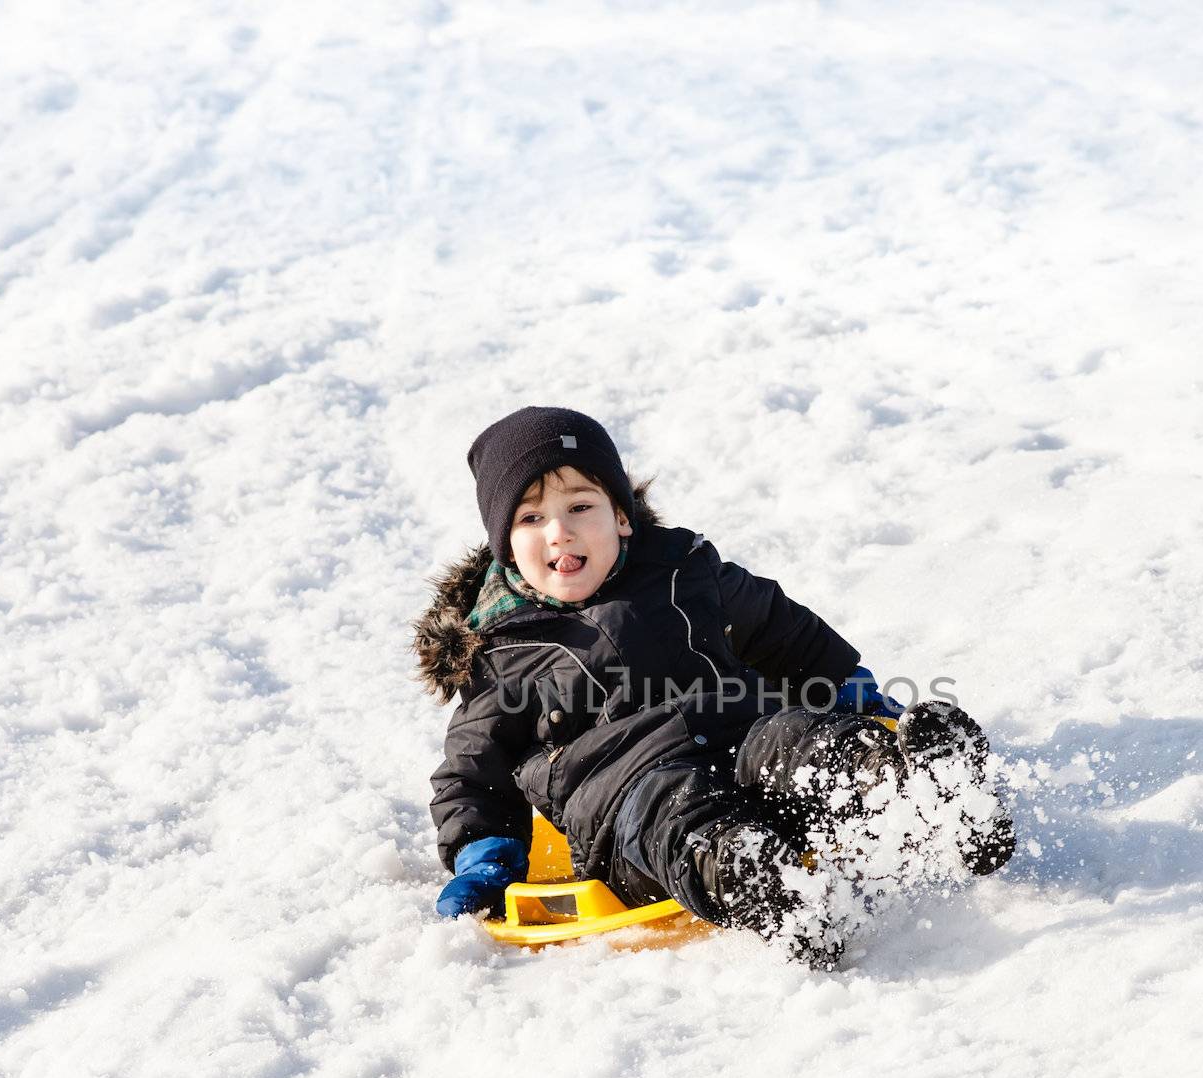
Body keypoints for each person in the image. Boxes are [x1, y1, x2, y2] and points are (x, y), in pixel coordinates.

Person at [413, 406, 1013, 969]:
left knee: (796, 739)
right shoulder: (499, 652)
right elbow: (472, 769)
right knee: (675, 814)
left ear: (620, 516)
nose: (559, 534)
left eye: (580, 506)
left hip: (741, 731)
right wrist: (484, 855)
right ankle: (758, 885)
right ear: (506, 546)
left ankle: (924, 796)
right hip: (628, 792)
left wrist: (853, 692)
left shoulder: (684, 572)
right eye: (531, 518)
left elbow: (784, 631)